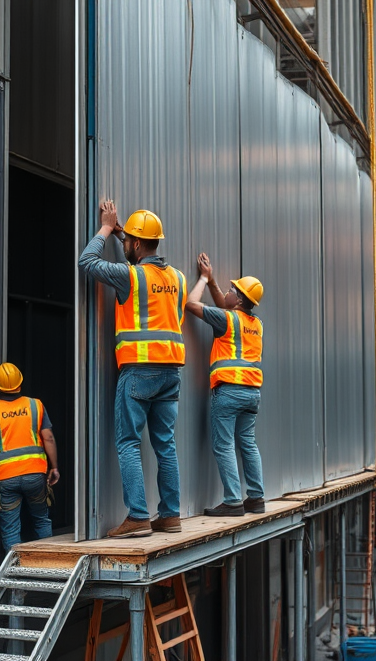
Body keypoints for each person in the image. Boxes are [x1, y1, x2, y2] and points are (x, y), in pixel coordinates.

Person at [79, 201, 187, 537]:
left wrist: (106, 229)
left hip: (139, 370)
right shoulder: (179, 279)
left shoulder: (131, 276)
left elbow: (87, 262)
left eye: (128, 241)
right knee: (164, 445)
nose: (123, 245)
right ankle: (169, 516)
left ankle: (138, 516)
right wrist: (127, 234)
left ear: (137, 245)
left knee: (128, 442)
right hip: (171, 373)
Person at [185, 253, 266, 516]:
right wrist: (214, 283)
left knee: (224, 445)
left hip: (229, 390)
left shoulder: (227, 320)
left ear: (240, 300)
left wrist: (203, 279)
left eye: (233, 290)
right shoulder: (255, 324)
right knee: (248, 443)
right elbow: (225, 304)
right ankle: (256, 498)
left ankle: (232, 501)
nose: (228, 292)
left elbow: (190, 303)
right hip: (252, 393)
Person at [0, 362, 59, 550]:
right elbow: (49, 438)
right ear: (20, 383)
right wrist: (54, 468)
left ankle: (14, 571)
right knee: (41, 520)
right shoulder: (35, 405)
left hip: (6, 479)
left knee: (11, 530)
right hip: (35, 475)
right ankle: (50, 562)